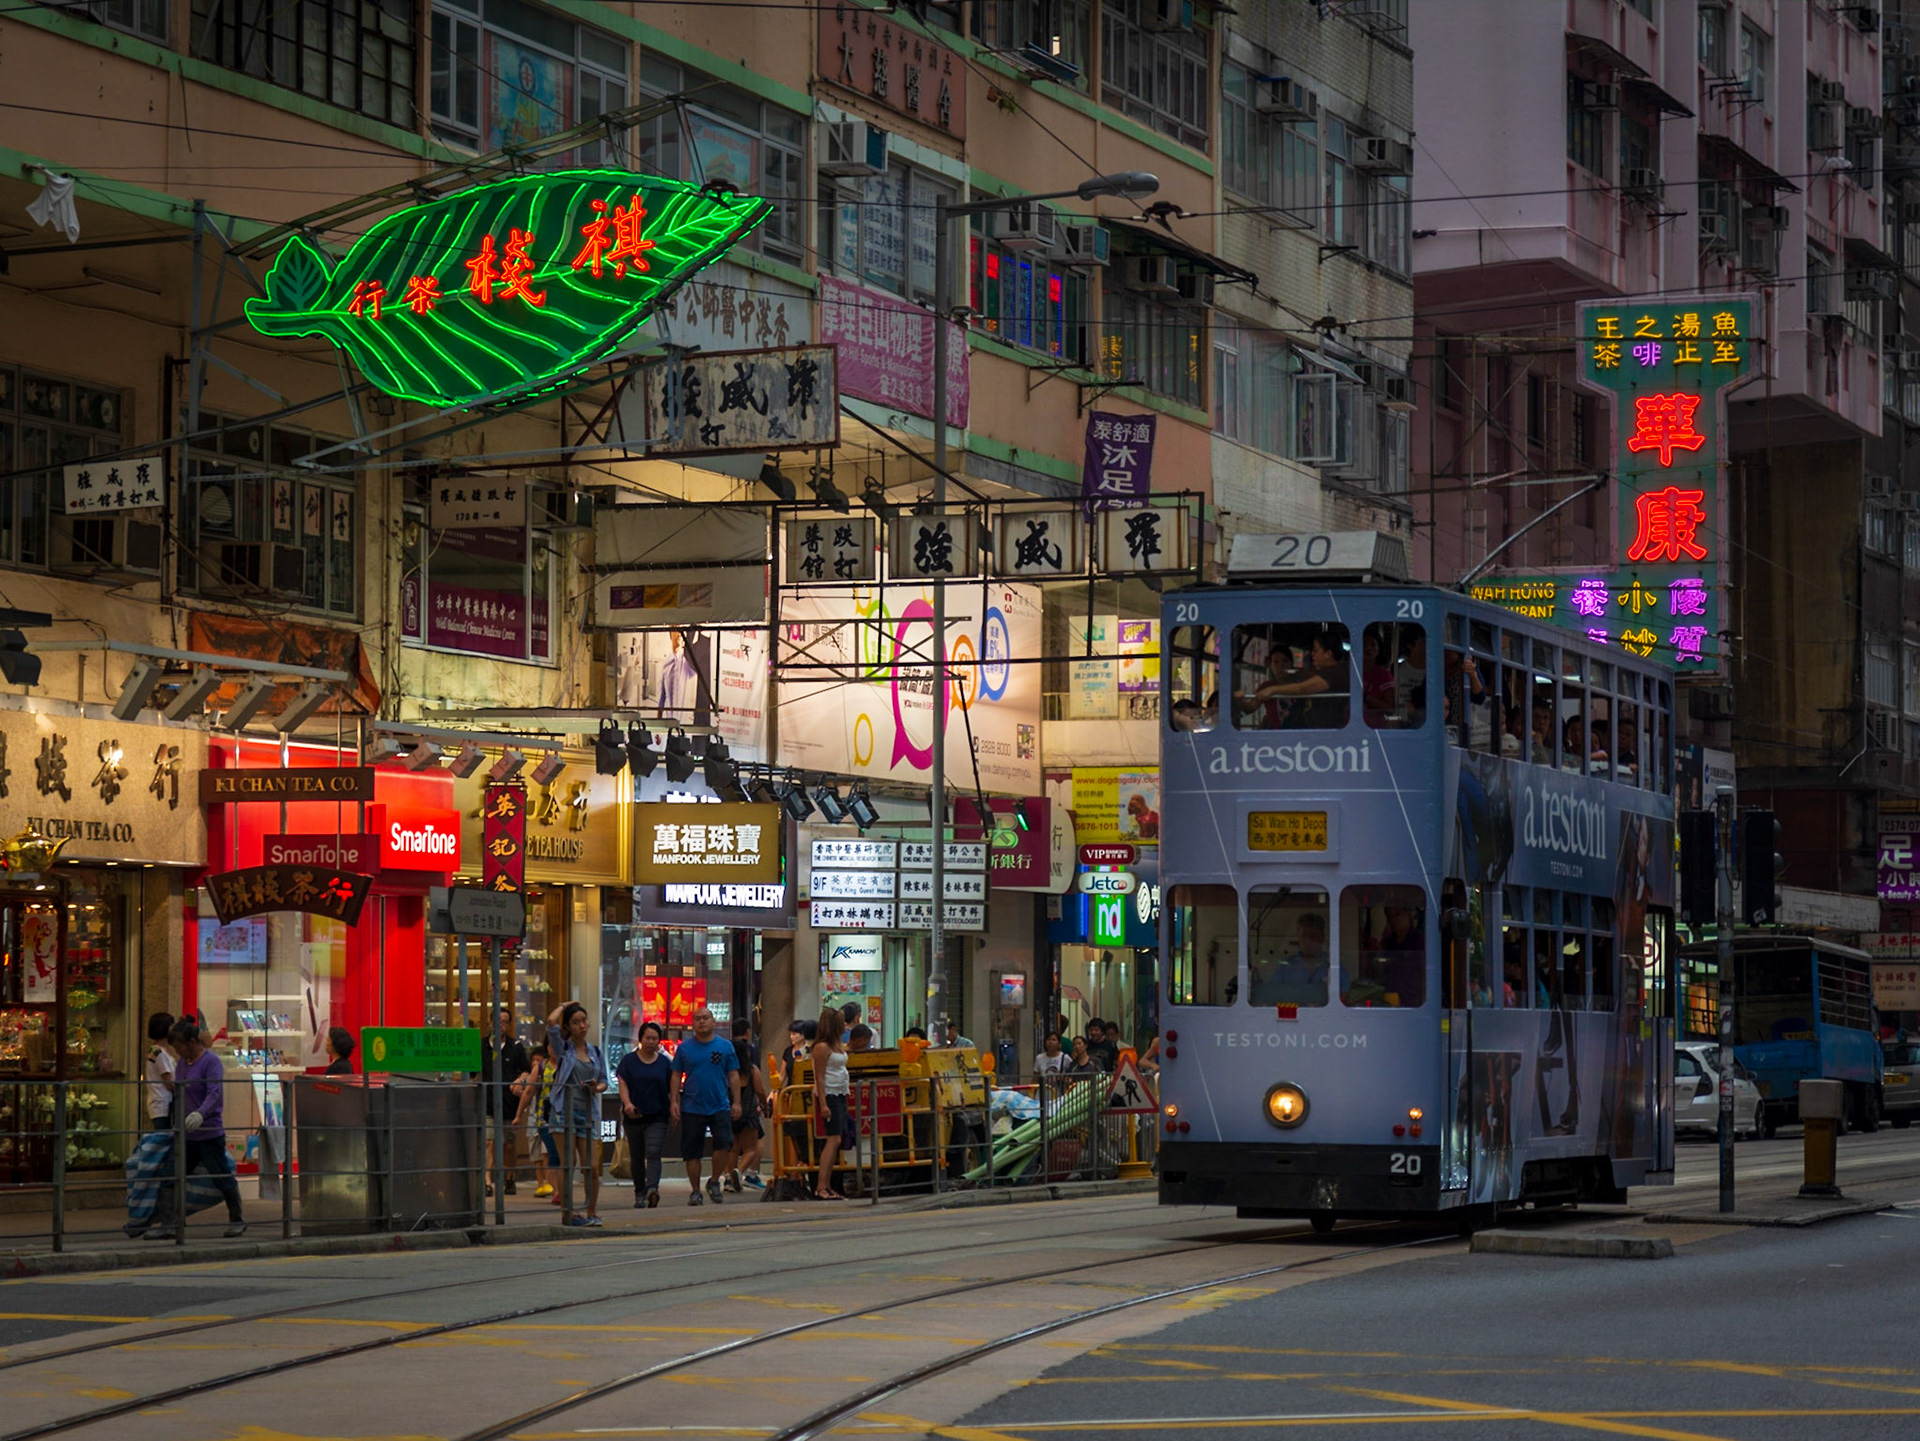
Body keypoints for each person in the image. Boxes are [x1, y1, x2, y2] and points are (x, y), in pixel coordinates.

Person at [149, 1020, 246, 1240]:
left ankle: (237, 1219)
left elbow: (214, 1093)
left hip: (208, 1133)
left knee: (221, 1175)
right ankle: (169, 1223)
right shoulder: (183, 1064)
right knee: (170, 1175)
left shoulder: (211, 1062)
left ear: (193, 1042)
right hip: (186, 1133)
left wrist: (200, 1113)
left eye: (181, 1047)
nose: (179, 1052)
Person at [545, 1002, 608, 1226]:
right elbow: (551, 1022)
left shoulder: (595, 1051)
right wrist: (564, 1005)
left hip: (588, 1114)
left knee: (591, 1166)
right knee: (568, 1164)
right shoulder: (564, 1049)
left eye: (584, 1020)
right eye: (575, 1022)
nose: (582, 1025)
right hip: (564, 1112)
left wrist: (595, 1087)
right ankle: (568, 1213)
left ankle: (591, 1211)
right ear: (568, 1027)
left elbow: (604, 1083)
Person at [671, 1006, 741, 1206]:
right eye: (697, 1019)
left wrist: (736, 1102)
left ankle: (714, 1181)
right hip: (692, 1106)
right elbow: (676, 1075)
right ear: (693, 1024)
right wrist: (674, 1101)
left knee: (724, 1144)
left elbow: (733, 1075)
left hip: (719, 1104)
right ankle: (695, 1191)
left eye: (705, 1018)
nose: (701, 1021)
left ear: (713, 1022)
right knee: (692, 1151)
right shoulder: (685, 1048)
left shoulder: (726, 1047)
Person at [616, 1022, 672, 1209]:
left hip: (658, 1114)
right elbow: (622, 1084)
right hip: (634, 1116)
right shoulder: (629, 1061)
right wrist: (627, 1104)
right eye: (647, 1038)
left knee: (654, 1152)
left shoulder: (665, 1063)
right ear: (640, 1039)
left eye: (654, 1038)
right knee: (637, 1156)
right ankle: (639, 1192)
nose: (650, 1041)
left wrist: (674, 1106)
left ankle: (652, 1189)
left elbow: (672, 1087)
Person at [479, 1010, 530, 1198]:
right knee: (488, 1141)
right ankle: (487, 1181)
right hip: (487, 1102)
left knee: (509, 1144)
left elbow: (526, 1071)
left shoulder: (515, 1047)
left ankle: (510, 1177)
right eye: (498, 1021)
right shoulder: (482, 1046)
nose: (502, 1025)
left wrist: (520, 1081)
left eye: (506, 1022)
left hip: (509, 1103)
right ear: (490, 1023)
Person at [810, 1007, 855, 1200]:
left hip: (840, 1092)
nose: (844, 1026)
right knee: (833, 1139)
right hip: (829, 1095)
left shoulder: (837, 1044)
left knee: (836, 1140)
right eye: (841, 1023)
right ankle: (821, 1186)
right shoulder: (822, 1047)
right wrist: (823, 1104)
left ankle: (826, 1185)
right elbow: (819, 1077)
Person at [729, 1017, 769, 1192]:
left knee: (732, 1148)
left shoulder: (728, 1071)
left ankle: (729, 1180)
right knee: (751, 1148)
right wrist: (765, 1105)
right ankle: (740, 1171)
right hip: (748, 1112)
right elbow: (760, 1091)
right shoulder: (752, 1070)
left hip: (729, 1110)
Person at [515, 1041, 558, 1199]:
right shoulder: (540, 1068)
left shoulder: (568, 1065)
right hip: (543, 1117)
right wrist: (518, 1115)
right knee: (550, 1154)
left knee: (559, 1156)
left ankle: (556, 1188)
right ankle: (555, 1189)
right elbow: (527, 1092)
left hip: (564, 1117)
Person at [143, 1011, 176, 1132]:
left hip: (160, 1104)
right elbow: (169, 1083)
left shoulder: (158, 1051)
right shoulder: (160, 1054)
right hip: (162, 1105)